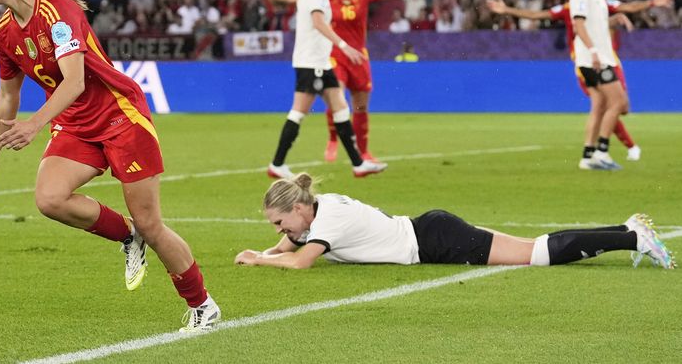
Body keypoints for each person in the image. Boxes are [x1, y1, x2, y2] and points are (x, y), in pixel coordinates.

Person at [0, 0, 220, 332]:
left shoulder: (58, 11)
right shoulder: (3, 33)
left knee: (152, 223)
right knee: (50, 199)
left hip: (119, 115)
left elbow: (75, 81)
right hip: (75, 123)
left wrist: (34, 124)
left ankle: (202, 305)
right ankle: (128, 237)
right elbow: (5, 96)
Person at [234, 172, 676, 270]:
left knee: (536, 255)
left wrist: (259, 260)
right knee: (535, 244)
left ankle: (632, 239)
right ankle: (625, 229)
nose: (280, 231)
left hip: (435, 242)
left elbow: (300, 261)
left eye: (278, 222)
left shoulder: (328, 218)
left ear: (297, 208)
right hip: (431, 229)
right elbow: (292, 244)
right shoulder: (319, 209)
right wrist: (268, 248)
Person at [255, 0, 431, 162]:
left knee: (360, 107)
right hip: (335, 55)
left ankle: (363, 152)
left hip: (358, 56)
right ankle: (332, 140)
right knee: (336, 96)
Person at [486, 0, 673, 165]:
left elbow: (625, 7)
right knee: (612, 104)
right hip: (587, 60)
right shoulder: (569, 9)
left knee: (608, 105)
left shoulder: (598, 1)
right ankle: (613, 150)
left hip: (607, 58)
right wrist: (506, 10)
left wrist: (650, 3)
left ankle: (591, 155)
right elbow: (537, 14)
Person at [265, 0, 387, 179]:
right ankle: (277, 163)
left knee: (341, 107)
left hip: (319, 63)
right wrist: (343, 45)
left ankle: (358, 163)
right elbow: (318, 22)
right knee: (299, 112)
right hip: (312, 64)